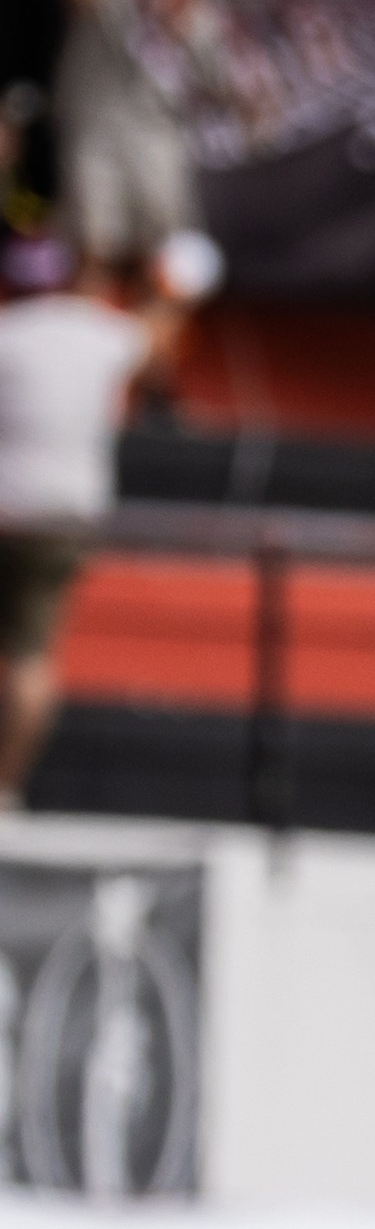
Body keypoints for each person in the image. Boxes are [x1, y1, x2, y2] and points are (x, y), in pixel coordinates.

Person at [0, 239, 177, 805]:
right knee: (31, 655)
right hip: (67, 515)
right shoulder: (101, 333)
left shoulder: (8, 332)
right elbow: (158, 343)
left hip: (8, 507)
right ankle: (5, 788)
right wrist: (168, 283)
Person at [51, 0, 241, 300]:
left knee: (164, 243)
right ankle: (86, 335)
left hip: (156, 130)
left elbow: (214, 72)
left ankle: (149, 336)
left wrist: (235, 97)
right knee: (92, 239)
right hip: (96, 121)